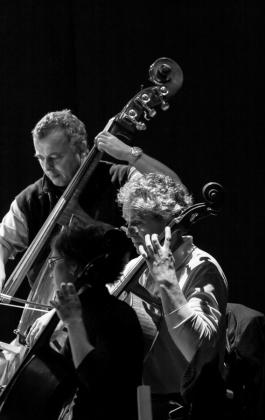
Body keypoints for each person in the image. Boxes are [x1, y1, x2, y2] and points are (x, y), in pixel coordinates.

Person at [0, 109, 179, 383]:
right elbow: (2, 242)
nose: (47, 167)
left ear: (82, 149)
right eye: (40, 158)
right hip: (49, 326)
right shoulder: (31, 199)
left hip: (108, 324)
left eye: (55, 158)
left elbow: (175, 193)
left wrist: (130, 154)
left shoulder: (119, 180)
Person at [1, 223, 144, 419]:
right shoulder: (84, 308)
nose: (51, 272)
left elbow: (97, 381)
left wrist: (73, 324)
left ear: (74, 266)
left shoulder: (114, 315)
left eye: (54, 261)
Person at [115, 172, 229, 420]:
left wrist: (166, 280)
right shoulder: (136, 265)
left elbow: (197, 350)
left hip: (180, 409)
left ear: (168, 222)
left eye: (137, 223)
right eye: (127, 223)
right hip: (140, 403)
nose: (129, 232)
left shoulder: (202, 268)